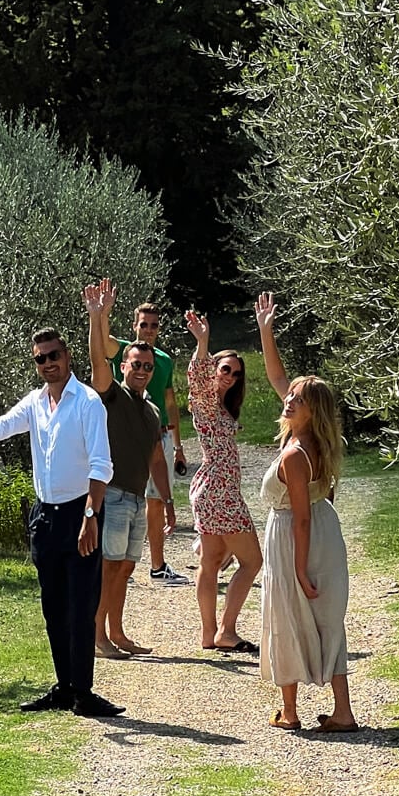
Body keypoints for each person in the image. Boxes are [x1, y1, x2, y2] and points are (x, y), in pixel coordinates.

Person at [0, 328, 123, 720]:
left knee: (81, 604)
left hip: (79, 513)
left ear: (67, 356)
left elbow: (101, 465)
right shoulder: (35, 403)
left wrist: (90, 516)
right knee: (54, 606)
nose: (48, 364)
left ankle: (84, 692)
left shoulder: (87, 402)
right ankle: (64, 686)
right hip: (45, 517)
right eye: (40, 359)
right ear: (35, 364)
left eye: (53, 355)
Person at [254, 292, 357, 732]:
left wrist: (297, 569)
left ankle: (291, 711)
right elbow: (278, 376)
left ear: (311, 410)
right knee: (327, 620)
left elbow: (297, 517)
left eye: (297, 398)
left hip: (296, 535)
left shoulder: (296, 453)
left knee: (287, 613)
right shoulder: (316, 441)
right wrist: (265, 331)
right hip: (323, 529)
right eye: (289, 396)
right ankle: (342, 711)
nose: (288, 400)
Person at [84, 280, 177, 656]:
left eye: (147, 367)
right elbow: (96, 360)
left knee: (125, 568)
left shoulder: (151, 410)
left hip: (138, 499)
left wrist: (167, 500)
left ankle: (117, 632)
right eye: (135, 365)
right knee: (108, 569)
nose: (141, 370)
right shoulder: (112, 396)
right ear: (123, 366)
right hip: (115, 495)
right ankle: (97, 635)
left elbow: (157, 457)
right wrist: (97, 316)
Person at [184, 310, 262, 655]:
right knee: (252, 561)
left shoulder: (221, 406)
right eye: (225, 369)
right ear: (215, 369)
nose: (230, 376)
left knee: (211, 561)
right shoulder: (205, 401)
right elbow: (195, 378)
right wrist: (203, 343)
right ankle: (226, 631)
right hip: (219, 491)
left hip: (213, 489)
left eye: (236, 373)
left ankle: (210, 633)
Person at [102, 299, 187, 581]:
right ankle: (115, 572)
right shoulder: (122, 352)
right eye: (143, 324)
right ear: (134, 325)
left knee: (156, 501)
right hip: (126, 438)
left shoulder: (162, 360)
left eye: (153, 325)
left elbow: (170, 401)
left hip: (157, 431)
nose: (148, 330)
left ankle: (157, 566)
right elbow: (101, 342)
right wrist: (101, 313)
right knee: (125, 499)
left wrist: (178, 444)